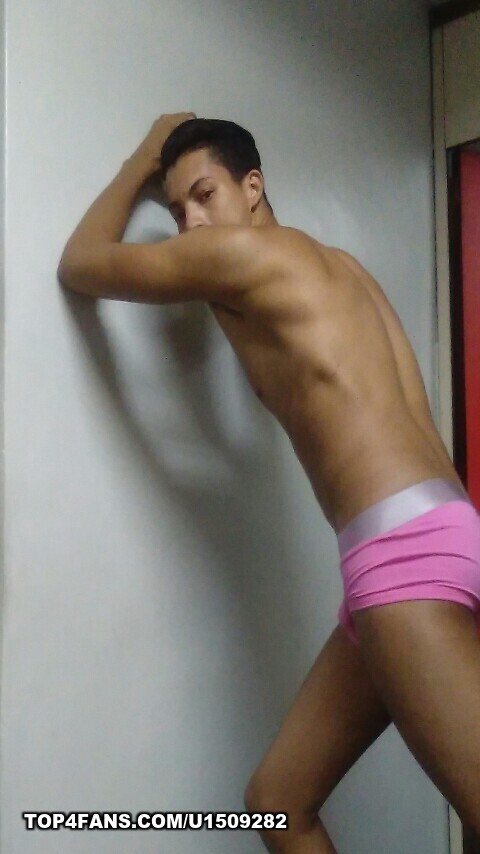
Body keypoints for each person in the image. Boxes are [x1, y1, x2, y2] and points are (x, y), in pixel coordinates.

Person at [58, 113, 480, 853]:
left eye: (205, 195)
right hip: (439, 531)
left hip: (401, 560)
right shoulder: (340, 268)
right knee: (277, 802)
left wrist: (146, 155)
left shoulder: (241, 258)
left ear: (253, 186)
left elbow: (81, 263)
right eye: (178, 210)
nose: (192, 223)